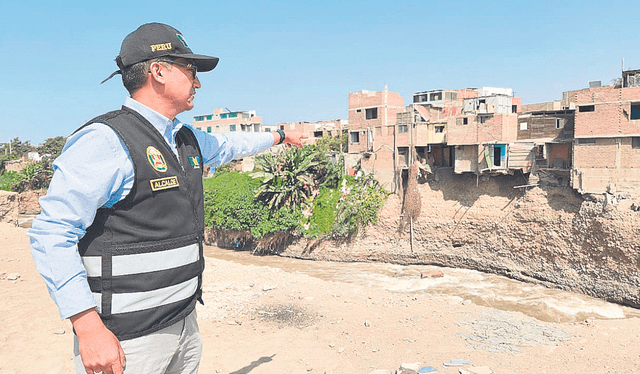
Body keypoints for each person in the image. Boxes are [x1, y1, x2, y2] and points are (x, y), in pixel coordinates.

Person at [28, 22, 306, 374]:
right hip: (127, 340)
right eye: (190, 70)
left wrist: (280, 136)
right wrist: (88, 327)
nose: (198, 82)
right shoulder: (106, 140)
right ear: (158, 71)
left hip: (183, 323)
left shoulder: (184, 138)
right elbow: (52, 234)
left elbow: (232, 145)